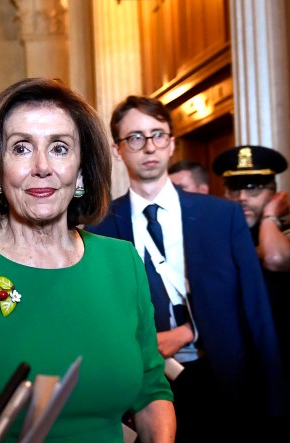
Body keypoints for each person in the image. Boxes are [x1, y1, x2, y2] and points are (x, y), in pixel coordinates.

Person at [0, 78, 175, 443]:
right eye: (22, 148)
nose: (42, 166)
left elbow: (151, 390)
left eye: (59, 148)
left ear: (81, 169)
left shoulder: (122, 263)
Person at [87, 96, 285, 441]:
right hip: (145, 385)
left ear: (172, 143)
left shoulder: (221, 216)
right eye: (135, 137)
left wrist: (277, 401)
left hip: (221, 376)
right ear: (118, 149)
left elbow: (255, 309)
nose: (148, 147)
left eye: (157, 135)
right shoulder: (100, 226)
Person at [213, 145, 290, 382]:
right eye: (234, 189)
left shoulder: (283, 231)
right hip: (238, 362)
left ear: (274, 194)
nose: (242, 198)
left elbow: (275, 259)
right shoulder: (219, 235)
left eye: (253, 188)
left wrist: (269, 217)